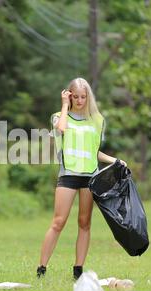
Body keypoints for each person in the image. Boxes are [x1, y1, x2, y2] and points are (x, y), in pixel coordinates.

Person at [37, 77, 127, 280]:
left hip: (90, 177)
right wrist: (64, 104)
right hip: (68, 175)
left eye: (83, 97)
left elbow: (95, 152)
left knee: (85, 223)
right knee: (58, 222)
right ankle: (41, 268)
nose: (79, 100)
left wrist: (115, 160)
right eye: (75, 96)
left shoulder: (97, 120)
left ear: (88, 97)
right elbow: (61, 129)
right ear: (69, 95)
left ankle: (78, 269)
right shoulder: (59, 116)